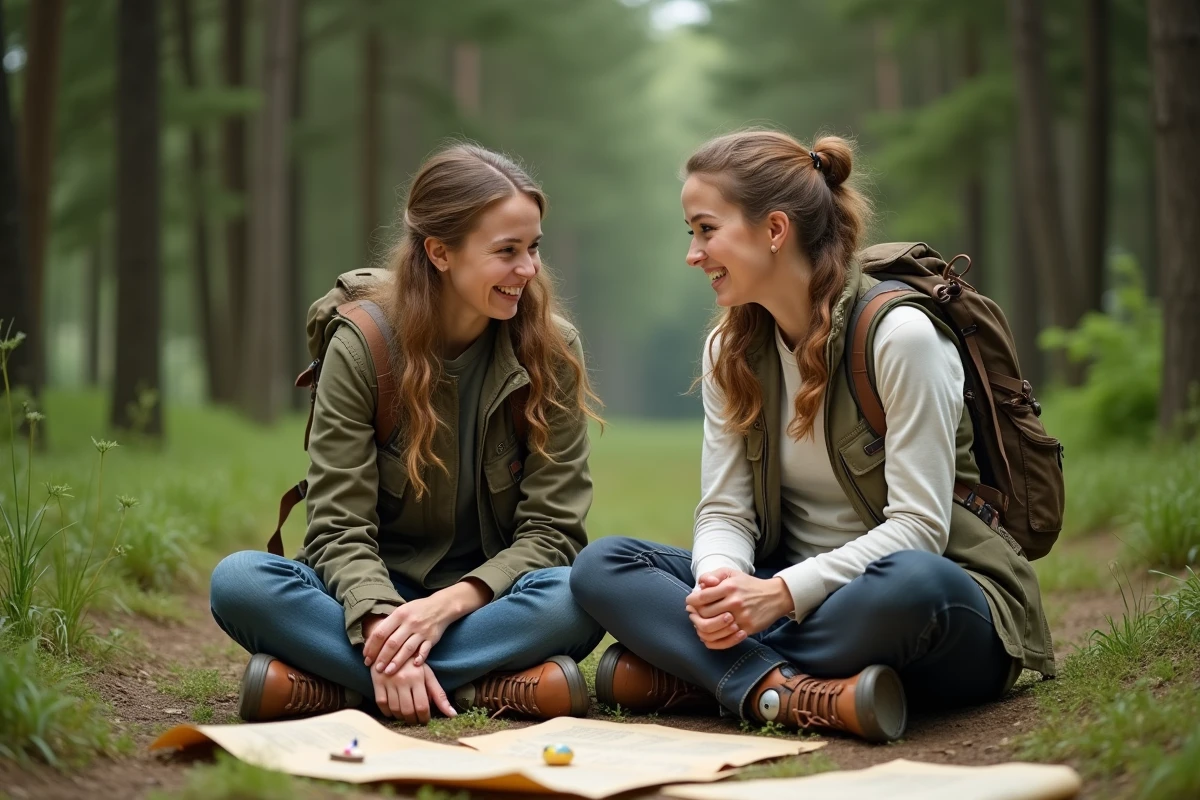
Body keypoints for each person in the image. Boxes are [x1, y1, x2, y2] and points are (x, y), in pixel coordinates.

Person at [570, 130, 1054, 743]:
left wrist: (778, 595)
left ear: (775, 229)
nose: (693, 254)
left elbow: (920, 531)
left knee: (913, 584)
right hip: (793, 592)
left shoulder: (900, 337)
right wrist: (721, 583)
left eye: (706, 230)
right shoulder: (730, 350)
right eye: (690, 232)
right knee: (603, 564)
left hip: (925, 599)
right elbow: (725, 510)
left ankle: (702, 676)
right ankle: (789, 692)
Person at [210, 143, 605, 726]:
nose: (528, 269)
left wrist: (447, 606)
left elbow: (552, 532)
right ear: (440, 252)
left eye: (533, 248)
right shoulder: (363, 345)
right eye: (507, 251)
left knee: (581, 594)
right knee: (240, 581)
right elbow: (338, 525)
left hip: (487, 598)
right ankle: (479, 688)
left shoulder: (553, 349)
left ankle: (342, 687)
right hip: (362, 593)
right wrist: (378, 619)